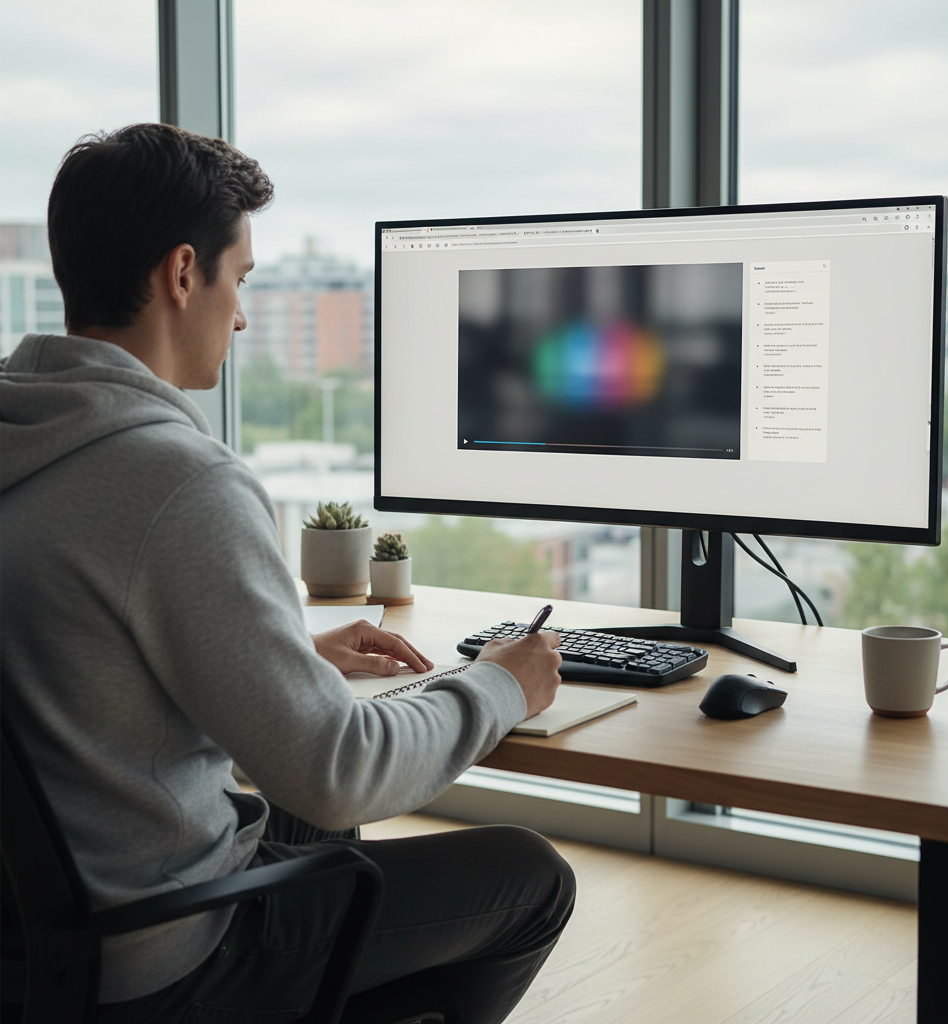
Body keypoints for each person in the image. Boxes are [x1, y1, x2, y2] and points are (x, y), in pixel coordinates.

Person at [0, 123, 574, 1024]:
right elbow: (338, 770)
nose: (238, 315)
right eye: (240, 281)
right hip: (157, 950)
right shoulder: (177, 481)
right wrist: (497, 685)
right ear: (183, 274)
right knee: (529, 877)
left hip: (31, 940)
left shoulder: (23, 437)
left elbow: (58, 649)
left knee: (307, 827)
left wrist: (284, 651)